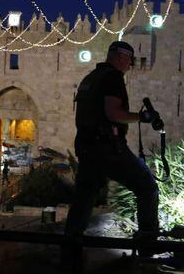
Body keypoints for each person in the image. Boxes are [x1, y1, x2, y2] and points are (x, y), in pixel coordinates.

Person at [64, 41, 160, 262]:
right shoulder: (112, 77)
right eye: (130, 60)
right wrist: (142, 117)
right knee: (147, 187)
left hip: (87, 148)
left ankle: (69, 251)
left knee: (84, 197)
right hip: (108, 148)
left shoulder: (90, 78)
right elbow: (113, 113)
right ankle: (147, 246)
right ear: (121, 57)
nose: (130, 65)